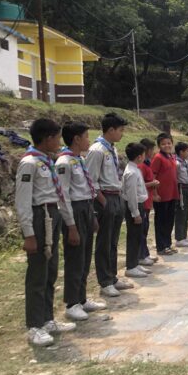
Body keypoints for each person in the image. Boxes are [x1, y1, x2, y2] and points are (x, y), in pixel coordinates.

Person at [16, 119, 77, 346]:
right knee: (37, 274)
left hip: (53, 215)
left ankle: (47, 318)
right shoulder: (29, 163)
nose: (59, 142)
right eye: (57, 138)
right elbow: (22, 201)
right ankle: (35, 326)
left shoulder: (47, 162)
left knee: (50, 271)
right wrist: (29, 234)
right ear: (48, 138)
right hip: (39, 217)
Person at [57, 121, 105, 323]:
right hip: (74, 211)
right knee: (75, 258)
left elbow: (86, 190)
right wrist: (71, 225)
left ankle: (82, 298)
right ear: (76, 139)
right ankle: (72, 303)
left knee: (85, 256)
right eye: (86, 136)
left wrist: (92, 215)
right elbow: (63, 196)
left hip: (85, 208)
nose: (88, 140)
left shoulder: (80, 160)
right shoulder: (64, 163)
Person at [86, 112, 131, 298]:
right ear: (110, 130)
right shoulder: (97, 150)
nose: (122, 134)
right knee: (104, 242)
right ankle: (104, 281)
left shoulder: (111, 148)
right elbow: (90, 179)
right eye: (120, 130)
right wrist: (102, 200)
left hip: (116, 195)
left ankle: (112, 276)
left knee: (113, 240)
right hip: (104, 197)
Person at [121, 142, 150, 279]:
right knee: (133, 236)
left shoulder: (135, 169)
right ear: (139, 157)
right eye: (144, 155)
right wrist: (135, 213)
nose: (145, 157)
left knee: (138, 235)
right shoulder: (131, 172)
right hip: (135, 205)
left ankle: (135, 263)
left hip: (139, 204)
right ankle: (131, 266)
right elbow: (131, 194)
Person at [151, 133, 179, 255]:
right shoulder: (158, 158)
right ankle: (161, 247)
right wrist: (154, 194)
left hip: (172, 194)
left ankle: (168, 244)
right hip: (161, 196)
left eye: (169, 143)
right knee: (161, 222)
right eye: (163, 144)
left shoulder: (171, 156)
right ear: (159, 146)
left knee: (169, 221)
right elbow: (152, 176)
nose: (167, 145)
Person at [138, 138, 160, 262]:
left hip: (148, 200)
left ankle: (145, 253)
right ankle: (141, 255)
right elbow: (139, 184)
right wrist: (152, 183)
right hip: (143, 200)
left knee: (145, 228)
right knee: (142, 230)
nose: (153, 152)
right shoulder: (141, 166)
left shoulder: (147, 164)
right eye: (152, 149)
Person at [174, 142, 188, 248]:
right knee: (181, 213)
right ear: (181, 152)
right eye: (187, 151)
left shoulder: (185, 162)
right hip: (181, 188)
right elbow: (175, 178)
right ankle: (179, 238)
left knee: (186, 213)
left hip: (187, 188)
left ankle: (184, 236)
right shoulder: (177, 163)